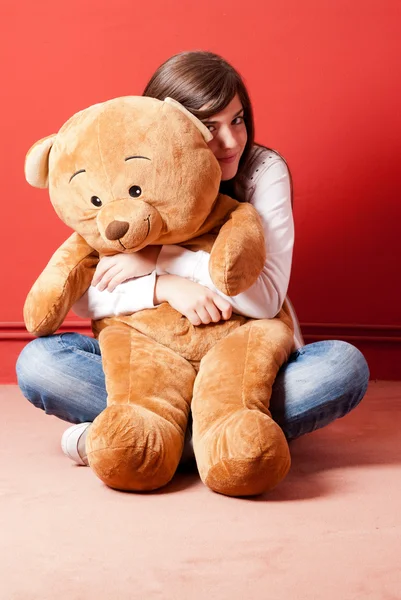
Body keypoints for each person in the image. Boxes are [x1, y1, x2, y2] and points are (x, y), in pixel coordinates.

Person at [16, 51, 369, 469]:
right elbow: (84, 299)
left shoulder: (262, 170)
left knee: (343, 367)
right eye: (210, 126)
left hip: (243, 364)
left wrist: (164, 258)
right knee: (39, 364)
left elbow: (264, 301)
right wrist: (162, 288)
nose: (231, 141)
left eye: (237, 119)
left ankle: (143, 441)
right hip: (153, 365)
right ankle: (216, 440)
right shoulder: (139, 172)